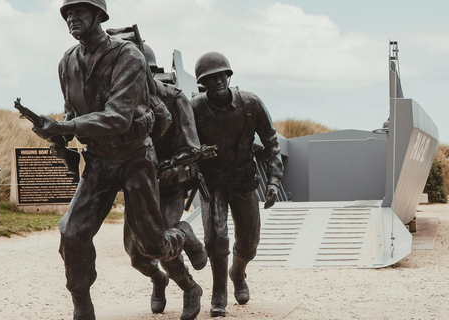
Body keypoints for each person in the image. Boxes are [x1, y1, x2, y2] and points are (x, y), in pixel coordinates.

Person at [31, 1, 206, 319]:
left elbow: (118, 117)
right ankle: (82, 304)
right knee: (71, 233)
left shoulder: (128, 56)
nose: (72, 17)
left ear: (99, 15)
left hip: (134, 158)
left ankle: (183, 234)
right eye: (67, 13)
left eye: (80, 11)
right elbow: (73, 112)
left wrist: (66, 126)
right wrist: (56, 131)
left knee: (151, 244)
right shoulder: (67, 62)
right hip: (98, 160)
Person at [190, 52, 283, 317]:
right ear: (203, 83)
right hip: (213, 182)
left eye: (222, 75)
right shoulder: (194, 108)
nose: (218, 81)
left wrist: (274, 180)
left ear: (229, 76)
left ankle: (238, 272)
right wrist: (193, 171)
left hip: (244, 181)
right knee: (215, 239)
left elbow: (271, 142)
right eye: (211, 78)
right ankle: (219, 292)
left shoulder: (250, 104)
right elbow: (184, 144)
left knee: (249, 242)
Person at [121, 43, 205, 320]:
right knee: (136, 256)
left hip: (169, 184)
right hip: (138, 188)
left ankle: (190, 288)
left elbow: (192, 146)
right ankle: (158, 280)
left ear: (148, 69)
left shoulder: (174, 97)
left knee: (161, 242)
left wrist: (169, 167)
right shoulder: (119, 102)